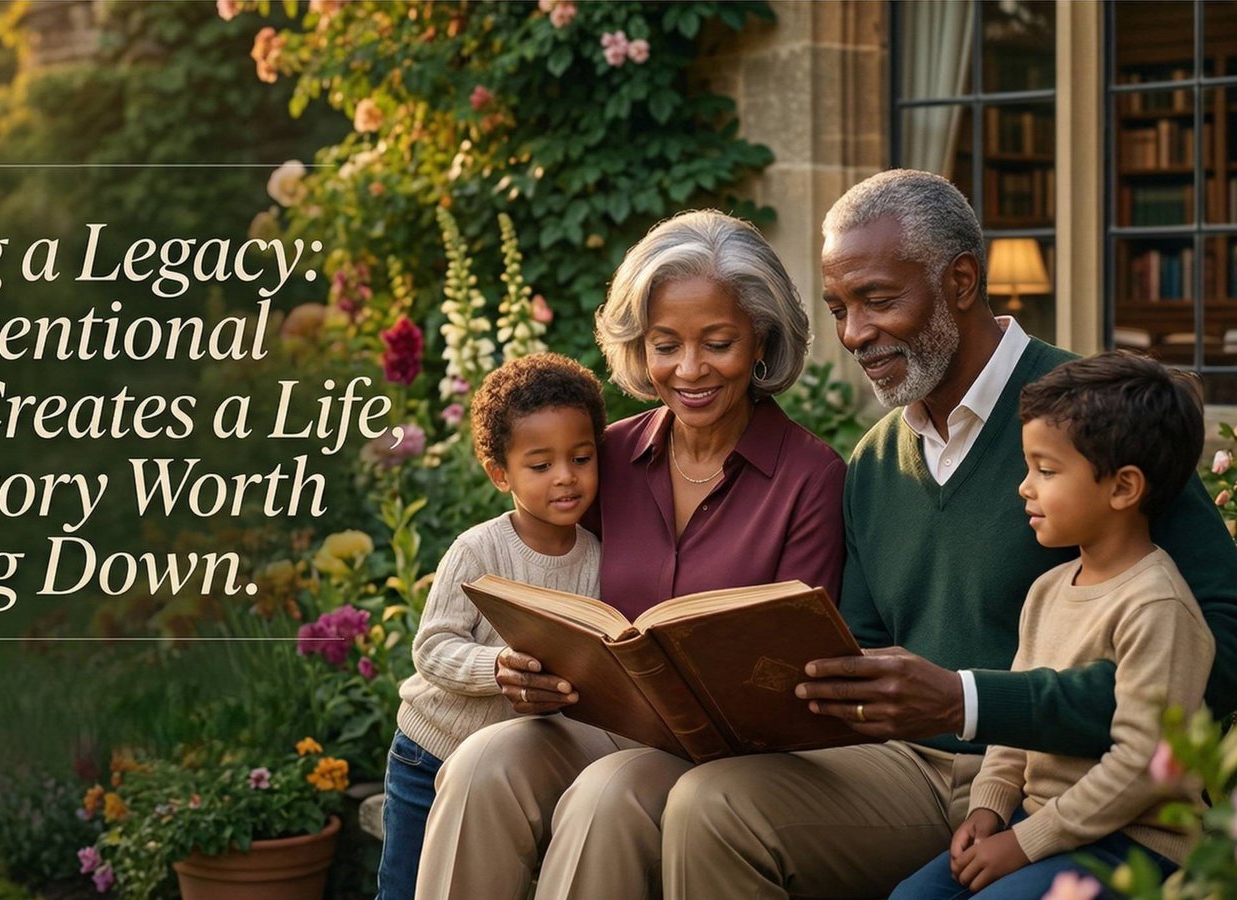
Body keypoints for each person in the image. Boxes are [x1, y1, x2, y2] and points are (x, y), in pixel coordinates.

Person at [652, 169, 1237, 898]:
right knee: (708, 802)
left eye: (878, 301)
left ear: (961, 281)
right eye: (838, 309)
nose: (854, 334)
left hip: (1064, 781)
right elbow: (859, 650)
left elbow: (1220, 646)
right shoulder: (873, 463)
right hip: (909, 771)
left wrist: (970, 701)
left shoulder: (1096, 417)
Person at [415, 209, 847, 900]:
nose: (690, 369)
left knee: (606, 795)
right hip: (600, 721)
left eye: (718, 343)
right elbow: (540, 567)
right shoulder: (607, 455)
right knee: (486, 759)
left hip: (721, 753)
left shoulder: (810, 478)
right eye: (665, 344)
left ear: (762, 340)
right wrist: (525, 667)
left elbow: (794, 669)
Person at [892, 350, 1211, 899]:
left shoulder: (1157, 606)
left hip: (1134, 841)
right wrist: (990, 807)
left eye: (1046, 470)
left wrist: (1024, 843)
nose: (1024, 486)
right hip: (1040, 825)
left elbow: (1143, 768)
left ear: (1123, 488)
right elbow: (1020, 727)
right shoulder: (1048, 589)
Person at [376, 352, 607, 900]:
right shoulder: (479, 549)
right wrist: (497, 667)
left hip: (510, 768)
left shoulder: (598, 557)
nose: (566, 477)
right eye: (540, 465)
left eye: (581, 458)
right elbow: (433, 646)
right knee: (405, 889)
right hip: (431, 750)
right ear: (500, 473)